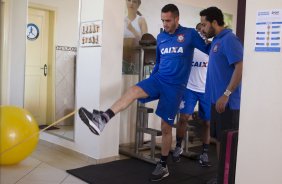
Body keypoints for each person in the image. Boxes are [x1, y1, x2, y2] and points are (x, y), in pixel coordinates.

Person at [79, 4, 208, 181]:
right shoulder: (161, 37)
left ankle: (163, 165)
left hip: (175, 87)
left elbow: (209, 50)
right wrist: (150, 80)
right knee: (132, 90)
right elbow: (159, 61)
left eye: (168, 20)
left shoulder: (189, 34)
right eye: (163, 20)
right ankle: (103, 118)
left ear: (177, 19)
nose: (165, 24)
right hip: (158, 79)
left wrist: (215, 39)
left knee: (165, 127)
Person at [199, 7, 243, 184]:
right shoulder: (216, 40)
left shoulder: (230, 40)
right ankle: (221, 177)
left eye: (204, 24)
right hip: (215, 101)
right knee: (218, 140)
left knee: (228, 145)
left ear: (214, 22)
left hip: (228, 103)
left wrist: (226, 94)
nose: (202, 28)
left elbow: (240, 67)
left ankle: (228, 179)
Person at [172, 23, 211, 167]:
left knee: (207, 122)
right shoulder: (190, 48)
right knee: (183, 118)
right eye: (199, 31)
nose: (201, 33)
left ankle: (205, 152)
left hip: (206, 90)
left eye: (203, 31)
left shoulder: (211, 49)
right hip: (189, 89)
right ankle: (178, 147)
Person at [123, 0, 148, 74]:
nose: (131, 3)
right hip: (123, 56)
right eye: (129, 0)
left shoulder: (141, 20)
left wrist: (132, 29)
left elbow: (145, 41)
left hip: (136, 57)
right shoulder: (122, 20)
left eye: (134, 1)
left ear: (138, 4)